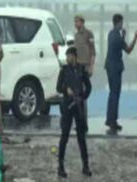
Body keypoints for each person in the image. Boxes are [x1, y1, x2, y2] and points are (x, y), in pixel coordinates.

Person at [57, 47, 92, 178]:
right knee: (64, 137)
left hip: (78, 106)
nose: (67, 58)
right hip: (67, 106)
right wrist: (66, 90)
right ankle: (60, 166)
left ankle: (85, 166)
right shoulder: (64, 70)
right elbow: (58, 87)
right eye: (66, 56)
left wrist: (83, 97)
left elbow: (88, 87)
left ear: (73, 56)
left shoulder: (81, 70)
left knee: (81, 137)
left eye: (69, 56)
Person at [104, 13, 137, 134]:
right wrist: (135, 38)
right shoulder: (117, 37)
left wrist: (123, 35)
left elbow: (118, 45)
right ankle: (112, 121)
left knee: (112, 93)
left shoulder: (111, 34)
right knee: (115, 94)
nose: (122, 25)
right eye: (122, 23)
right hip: (115, 68)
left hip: (110, 66)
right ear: (119, 23)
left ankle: (111, 119)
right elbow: (128, 50)